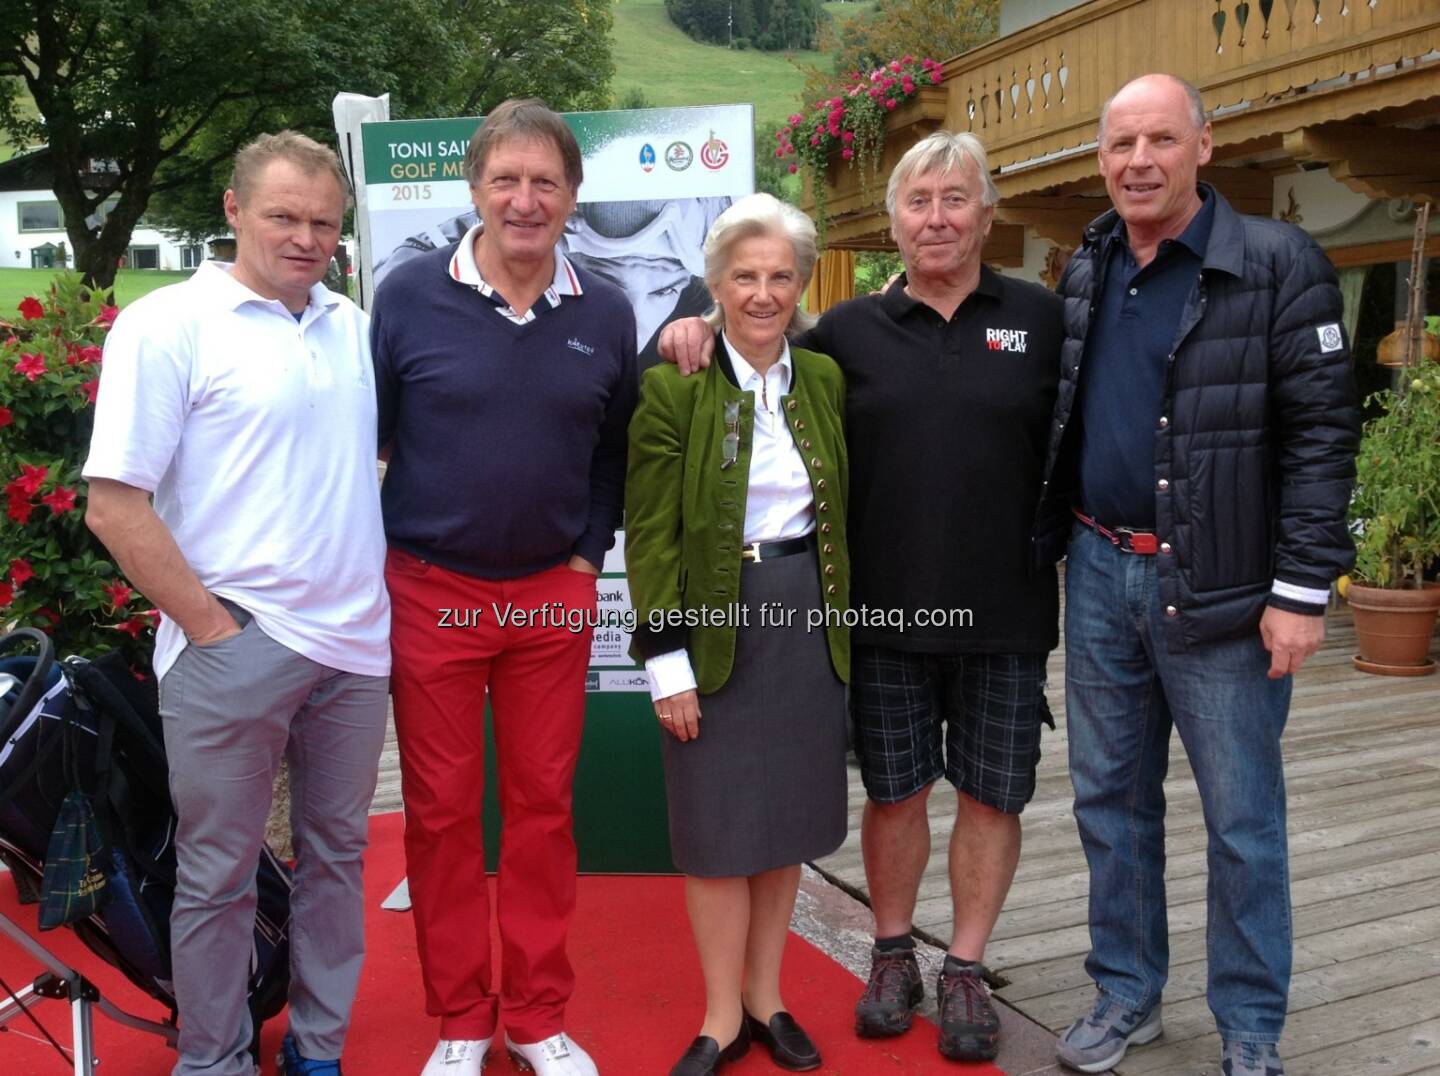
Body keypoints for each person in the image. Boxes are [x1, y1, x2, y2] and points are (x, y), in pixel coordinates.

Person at [659, 131, 1064, 1064]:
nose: (936, 218)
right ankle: (892, 955)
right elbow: (745, 335)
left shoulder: (1043, 319)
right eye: (917, 202)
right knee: (896, 793)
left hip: (1006, 612)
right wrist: (682, 325)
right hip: (877, 617)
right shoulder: (843, 334)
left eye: (954, 199)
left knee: (994, 798)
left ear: (987, 215)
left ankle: (964, 968)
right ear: (891, 223)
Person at [1034, 74, 1360, 1076]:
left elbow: (1321, 437)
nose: (1139, 159)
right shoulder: (1087, 265)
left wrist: (1302, 593)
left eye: (1160, 139)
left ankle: (1250, 1025)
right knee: (1109, 802)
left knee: (1243, 823)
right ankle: (1126, 990)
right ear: (1100, 157)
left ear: (1204, 146)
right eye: (1121, 141)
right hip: (1098, 568)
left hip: (1228, 591)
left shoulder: (1277, 264)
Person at [83, 131, 390, 1076]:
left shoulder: (347, 322)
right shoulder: (168, 325)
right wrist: (215, 630)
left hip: (355, 648)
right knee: (215, 877)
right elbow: (113, 504)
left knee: (338, 863)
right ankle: (213, 1061)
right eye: (284, 217)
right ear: (232, 209)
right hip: (235, 650)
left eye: (324, 224)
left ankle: (317, 1049)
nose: (305, 238)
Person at [370, 98, 637, 1076]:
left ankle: (534, 1013)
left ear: (573, 195)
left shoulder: (607, 309)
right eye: (506, 180)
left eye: (546, 182)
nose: (526, 200)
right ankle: (458, 1019)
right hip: (431, 592)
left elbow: (610, 453)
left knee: (540, 810)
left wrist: (583, 559)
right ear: (474, 189)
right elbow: (372, 441)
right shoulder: (403, 296)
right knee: (441, 814)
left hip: (547, 600)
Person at [626, 193, 850, 1076]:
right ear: (714, 284)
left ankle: (770, 997)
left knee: (784, 824)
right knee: (717, 831)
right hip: (712, 615)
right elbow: (649, 533)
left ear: (801, 284)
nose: (764, 294)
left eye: (781, 277)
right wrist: (666, 660)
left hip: (806, 614)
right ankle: (720, 1015)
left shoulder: (824, 379)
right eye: (745, 276)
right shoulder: (672, 384)